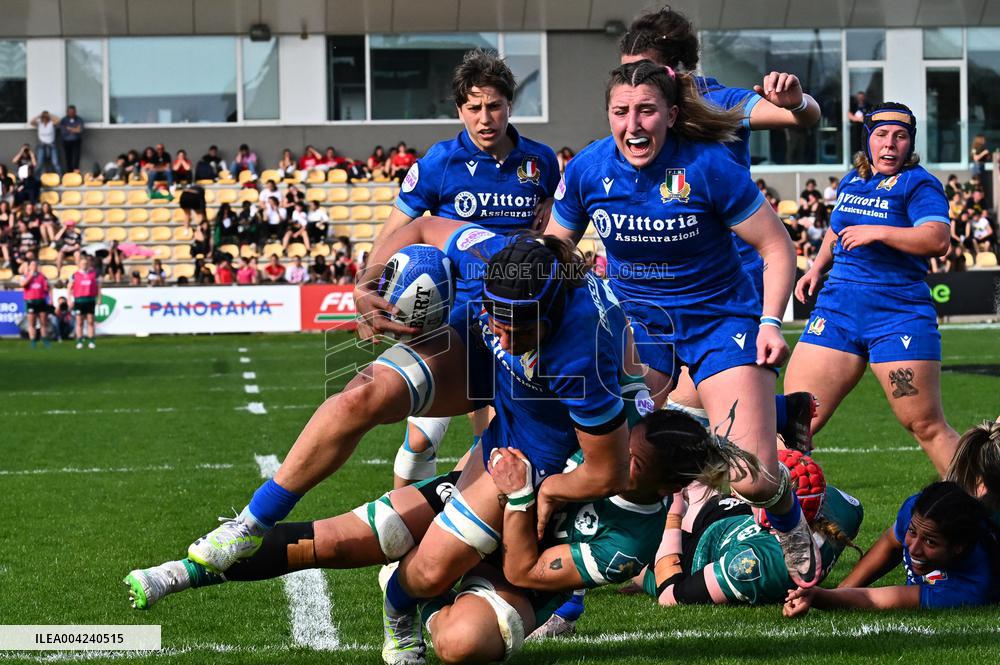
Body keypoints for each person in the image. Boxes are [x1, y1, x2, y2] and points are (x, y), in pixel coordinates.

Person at [182, 217, 635, 662]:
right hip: (486, 368)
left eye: (514, 327)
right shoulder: (489, 259)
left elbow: (608, 470)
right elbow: (420, 228)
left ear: (550, 315)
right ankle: (249, 525)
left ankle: (409, 596)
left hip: (540, 442)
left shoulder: (583, 351)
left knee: (438, 584)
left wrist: (540, 494)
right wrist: (366, 286)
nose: (501, 332)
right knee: (358, 398)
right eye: (493, 318)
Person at [126, 409, 753, 665]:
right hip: (478, 501)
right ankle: (182, 572)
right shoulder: (602, 425)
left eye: (628, 461)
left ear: (659, 483)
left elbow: (532, 574)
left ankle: (417, 597)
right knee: (329, 542)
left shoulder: (630, 545)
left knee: (459, 645)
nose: (611, 455)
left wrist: (528, 497)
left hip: (518, 567)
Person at [546, 60, 817, 588]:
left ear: (670, 114)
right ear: (607, 116)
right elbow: (554, 248)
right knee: (606, 451)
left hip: (722, 319)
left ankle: (786, 515)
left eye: (646, 111)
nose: (633, 125)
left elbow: (776, 245)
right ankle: (565, 596)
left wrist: (769, 322)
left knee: (750, 478)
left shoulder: (710, 166)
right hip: (640, 324)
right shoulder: (586, 170)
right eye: (621, 112)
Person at [615, 6, 820, 451]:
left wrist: (798, 103)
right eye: (626, 73)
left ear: (677, 69)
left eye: (644, 71)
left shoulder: (720, 100)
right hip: (670, 278)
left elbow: (801, 119)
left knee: (686, 419)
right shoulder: (637, 110)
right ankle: (782, 416)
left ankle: (772, 491)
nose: (633, 82)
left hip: (731, 277)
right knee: (644, 409)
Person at [373, 49, 560, 492]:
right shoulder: (439, 163)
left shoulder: (541, 162)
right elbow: (392, 234)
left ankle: (462, 524)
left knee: (494, 438)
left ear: (509, 105)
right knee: (420, 439)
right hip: (451, 320)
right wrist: (372, 287)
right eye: (473, 107)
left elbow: (555, 226)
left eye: (493, 105)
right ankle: (399, 531)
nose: (484, 118)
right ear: (459, 110)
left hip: (515, 320)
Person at [785, 103, 959, 475]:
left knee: (926, 426)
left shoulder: (919, 183)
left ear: (910, 142)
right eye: (881, 135)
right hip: (837, 313)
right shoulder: (853, 180)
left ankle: (985, 512)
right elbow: (838, 228)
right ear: (868, 140)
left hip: (898, 316)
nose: (890, 144)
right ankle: (779, 526)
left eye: (900, 136)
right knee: (793, 427)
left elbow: (937, 238)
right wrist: (816, 267)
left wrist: (879, 231)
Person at [638, 450, 862, 608]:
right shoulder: (840, 508)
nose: (736, 491)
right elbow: (798, 476)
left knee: (631, 542)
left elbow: (670, 597)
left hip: (692, 559)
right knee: (685, 470)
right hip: (731, 520)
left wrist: (673, 517)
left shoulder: (758, 562)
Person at [784, 481, 998, 616]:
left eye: (930, 542)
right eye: (912, 532)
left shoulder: (971, 587)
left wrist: (820, 596)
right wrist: (841, 590)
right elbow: (890, 544)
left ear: (959, 547)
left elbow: (876, 599)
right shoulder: (921, 511)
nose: (913, 548)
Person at [70, 254, 100, 349]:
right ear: (79, 264)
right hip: (79, 300)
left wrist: (99, 298)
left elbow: (98, 287)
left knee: (91, 321)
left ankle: (91, 341)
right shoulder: (75, 275)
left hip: (90, 300)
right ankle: (79, 341)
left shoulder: (93, 274)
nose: (84, 265)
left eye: (86, 263)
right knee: (79, 322)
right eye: (82, 263)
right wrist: (70, 299)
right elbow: (69, 288)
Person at [20, 259, 50, 348]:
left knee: (43, 323)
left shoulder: (42, 276)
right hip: (30, 302)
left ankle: (45, 340)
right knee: (31, 323)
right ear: (29, 267)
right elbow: (23, 284)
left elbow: (47, 288)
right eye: (32, 265)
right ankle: (33, 341)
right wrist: (30, 276)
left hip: (41, 301)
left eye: (35, 265)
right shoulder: (25, 276)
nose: (34, 267)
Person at [30, 111, 61, 176]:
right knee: (40, 163)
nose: (44, 118)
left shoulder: (51, 123)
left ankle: (60, 177)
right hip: (42, 145)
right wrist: (39, 115)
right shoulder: (39, 124)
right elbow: (31, 122)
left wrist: (50, 115)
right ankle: (36, 178)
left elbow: (58, 120)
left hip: (51, 145)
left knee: (55, 163)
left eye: (45, 117)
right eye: (43, 117)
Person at [59, 105, 84, 173]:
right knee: (68, 158)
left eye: (73, 112)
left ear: (75, 112)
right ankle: (69, 173)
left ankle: (76, 173)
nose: (71, 113)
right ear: (67, 112)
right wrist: (75, 129)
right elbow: (63, 131)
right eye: (70, 112)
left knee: (76, 157)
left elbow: (79, 130)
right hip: (66, 141)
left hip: (76, 141)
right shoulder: (64, 120)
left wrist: (69, 128)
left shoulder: (79, 119)